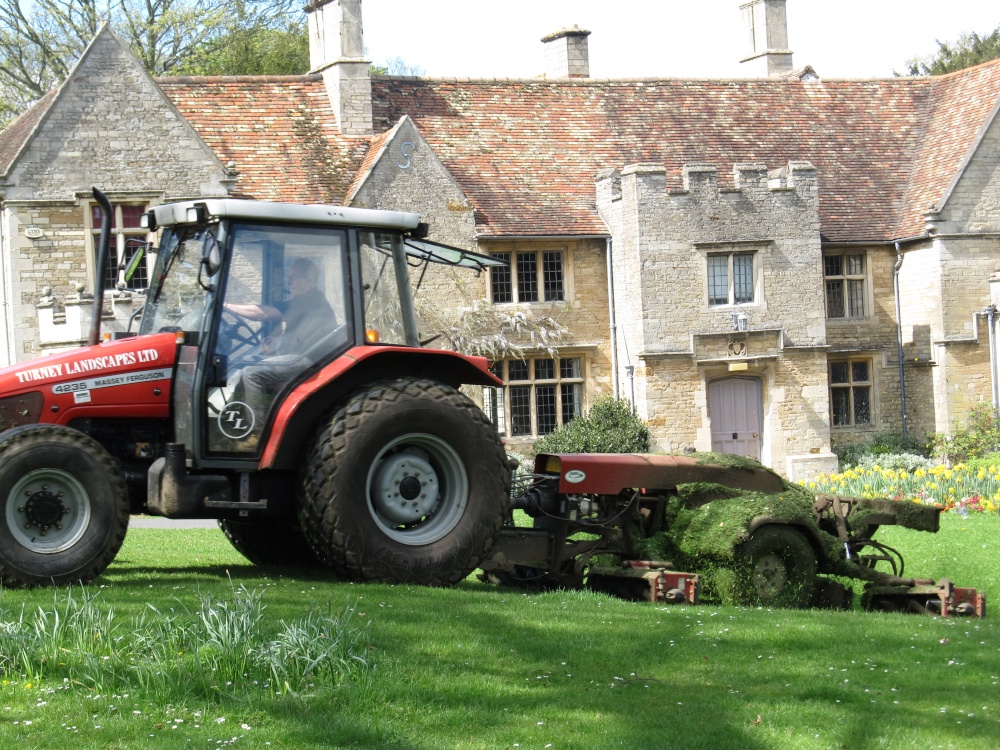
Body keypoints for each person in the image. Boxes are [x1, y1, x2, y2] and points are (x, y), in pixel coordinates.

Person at [223, 258, 337, 442]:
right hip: (301, 354)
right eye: (288, 277)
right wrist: (275, 342)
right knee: (246, 363)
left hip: (310, 359)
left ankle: (257, 434)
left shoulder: (308, 300)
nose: (289, 282)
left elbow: (263, 313)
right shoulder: (305, 301)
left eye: (294, 277)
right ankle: (233, 424)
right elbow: (295, 332)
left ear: (309, 279)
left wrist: (226, 306)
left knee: (252, 373)